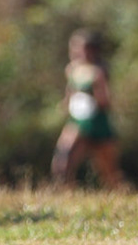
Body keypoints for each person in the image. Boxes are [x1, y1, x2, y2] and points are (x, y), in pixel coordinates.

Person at [50, 30, 122, 189]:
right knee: (63, 157)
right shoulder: (71, 69)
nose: (74, 52)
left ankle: (120, 195)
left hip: (97, 122)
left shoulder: (98, 72)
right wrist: (67, 104)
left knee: (108, 171)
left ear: (91, 50)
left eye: (78, 48)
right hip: (77, 121)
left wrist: (91, 101)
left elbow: (105, 101)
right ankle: (65, 192)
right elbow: (70, 92)